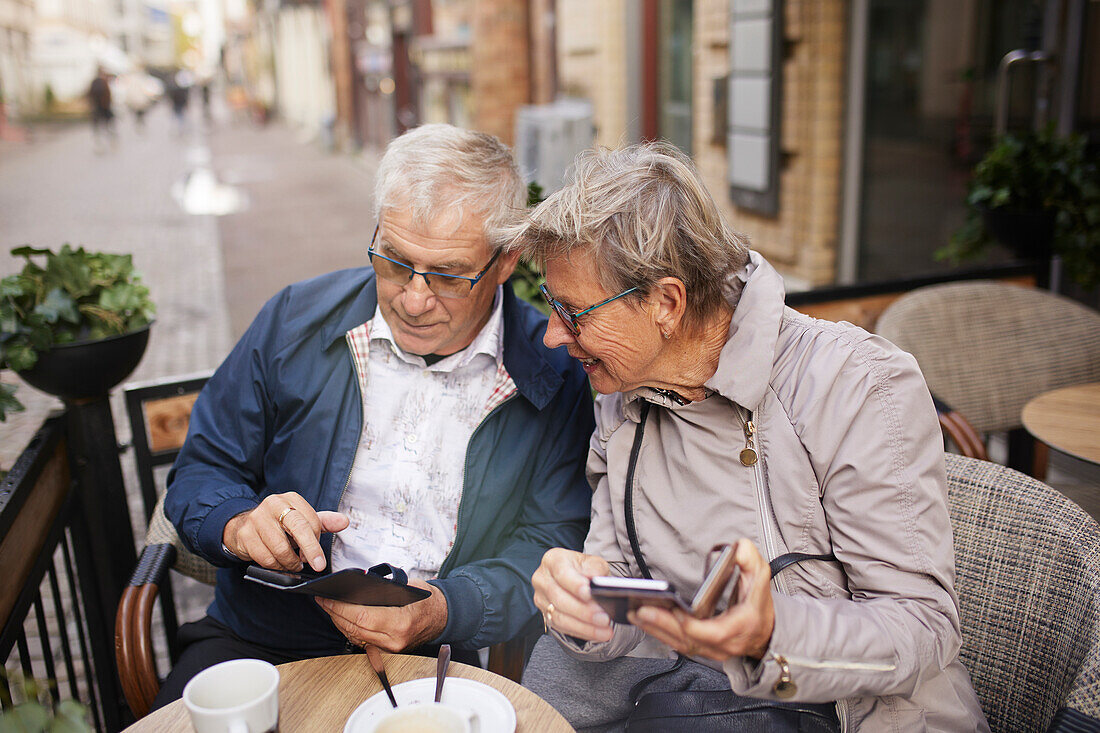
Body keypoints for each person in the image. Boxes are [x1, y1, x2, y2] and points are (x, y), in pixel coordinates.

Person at [509, 143, 989, 731]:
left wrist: (767, 635)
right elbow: (627, 583)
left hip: (833, 705)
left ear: (666, 302)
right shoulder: (622, 390)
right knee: (540, 682)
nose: (554, 336)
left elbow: (923, 627)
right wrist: (588, 604)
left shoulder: (854, 383)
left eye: (572, 311)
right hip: (680, 686)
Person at [156, 123, 594, 708]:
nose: (413, 300)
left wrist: (445, 608)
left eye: (447, 275)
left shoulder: (553, 371)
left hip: (434, 658)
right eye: (394, 260)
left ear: (506, 261)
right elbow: (199, 473)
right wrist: (239, 524)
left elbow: (550, 544)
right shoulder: (294, 319)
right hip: (259, 635)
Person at [87, 67, 115, 151]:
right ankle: (108, 142)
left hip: (97, 108)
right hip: (104, 108)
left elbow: (89, 94)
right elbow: (108, 97)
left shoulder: (94, 83)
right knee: (107, 126)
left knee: (98, 128)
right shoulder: (103, 83)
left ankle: (99, 144)